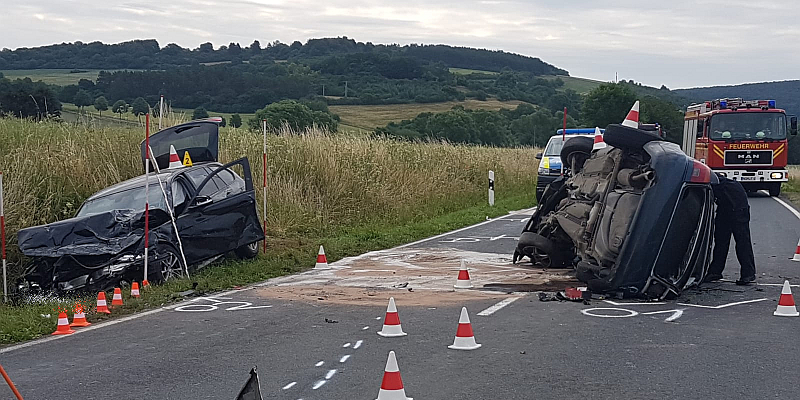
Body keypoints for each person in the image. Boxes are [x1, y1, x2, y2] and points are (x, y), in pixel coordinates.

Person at [705, 174, 756, 285]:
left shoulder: (707, 181)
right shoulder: (709, 179)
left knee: (742, 241)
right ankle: (715, 271)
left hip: (738, 206)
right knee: (720, 240)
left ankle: (748, 273)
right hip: (725, 205)